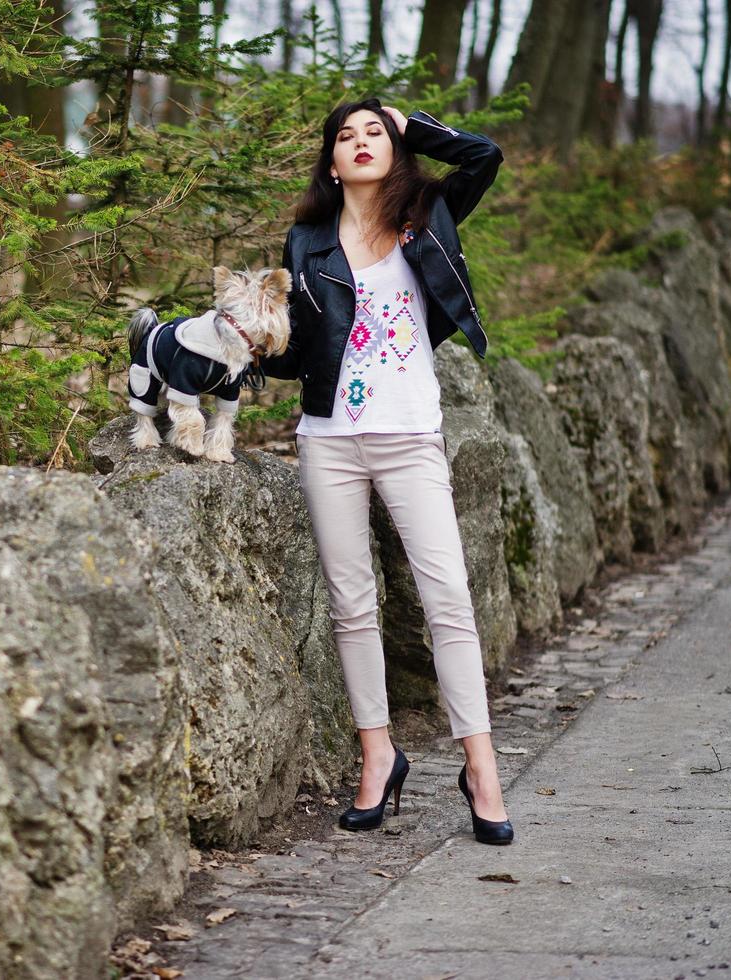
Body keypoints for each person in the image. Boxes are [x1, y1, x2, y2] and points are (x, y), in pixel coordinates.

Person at [260, 97, 513, 845]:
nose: (361, 143)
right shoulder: (305, 240)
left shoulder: (428, 212)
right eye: (346, 135)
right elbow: (298, 346)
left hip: (409, 435)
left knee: (449, 603)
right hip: (329, 437)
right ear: (330, 163)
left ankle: (481, 770)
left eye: (375, 132)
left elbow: (483, 156)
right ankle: (378, 755)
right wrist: (243, 341)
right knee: (350, 604)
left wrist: (414, 126)